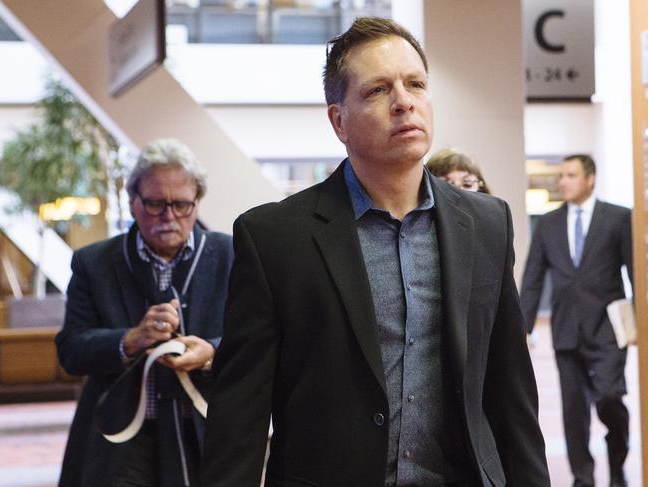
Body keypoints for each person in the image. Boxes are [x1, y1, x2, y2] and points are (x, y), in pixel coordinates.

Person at [201, 17, 549, 487]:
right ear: (338, 120)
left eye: (415, 84)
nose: (404, 102)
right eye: (377, 91)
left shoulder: (486, 223)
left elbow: (512, 395)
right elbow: (239, 417)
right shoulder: (274, 238)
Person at [55, 138, 233, 487]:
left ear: (197, 203)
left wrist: (211, 351)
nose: (169, 216)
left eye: (181, 204)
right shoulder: (94, 262)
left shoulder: (232, 255)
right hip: (121, 437)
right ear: (133, 202)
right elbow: (71, 351)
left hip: (206, 432)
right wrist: (130, 339)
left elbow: (260, 339)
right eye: (155, 204)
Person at [520, 154, 633, 487]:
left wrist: (639, 320)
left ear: (590, 178)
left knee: (610, 398)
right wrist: (521, 329)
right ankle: (582, 477)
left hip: (608, 330)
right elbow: (532, 278)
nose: (562, 181)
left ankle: (616, 466)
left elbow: (635, 272)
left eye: (570, 175)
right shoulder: (548, 223)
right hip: (566, 331)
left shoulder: (618, 218)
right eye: (561, 175)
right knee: (573, 412)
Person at [425, 148, 491, 194]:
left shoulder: (494, 212)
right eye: (446, 185)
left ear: (481, 188)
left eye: (467, 184)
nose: (459, 192)